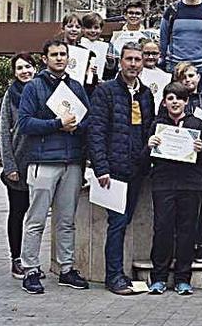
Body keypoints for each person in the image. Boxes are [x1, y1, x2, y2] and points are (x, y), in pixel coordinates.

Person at [17, 40, 91, 294]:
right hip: (43, 161)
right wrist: (57, 124)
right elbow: (25, 123)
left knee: (67, 220)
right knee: (36, 219)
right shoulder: (33, 87)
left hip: (71, 162)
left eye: (63, 54)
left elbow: (88, 120)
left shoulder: (76, 87)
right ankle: (29, 269)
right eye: (54, 54)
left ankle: (66, 269)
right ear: (45, 58)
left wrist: (76, 126)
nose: (59, 58)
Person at [87, 42, 156, 295]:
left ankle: (120, 273)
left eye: (138, 60)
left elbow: (149, 129)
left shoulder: (146, 94)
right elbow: (95, 131)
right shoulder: (105, 92)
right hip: (112, 171)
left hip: (136, 169)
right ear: (121, 61)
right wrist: (101, 167)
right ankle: (113, 276)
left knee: (125, 221)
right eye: (129, 59)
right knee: (116, 223)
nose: (134, 64)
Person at [147, 82, 202, 295]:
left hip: (190, 185)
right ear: (164, 102)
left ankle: (183, 278)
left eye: (180, 98)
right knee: (162, 230)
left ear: (186, 102)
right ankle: (158, 278)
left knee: (186, 232)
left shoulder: (197, 124)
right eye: (171, 98)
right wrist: (149, 145)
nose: (175, 102)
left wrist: (201, 150)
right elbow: (144, 157)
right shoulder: (157, 125)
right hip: (163, 184)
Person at [0, 53, 37, 280]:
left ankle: (31, 260)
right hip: (18, 165)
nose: (25, 71)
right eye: (20, 68)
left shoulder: (42, 90)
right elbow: (4, 132)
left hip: (42, 163)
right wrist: (9, 166)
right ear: (14, 72)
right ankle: (16, 259)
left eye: (28, 66)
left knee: (36, 215)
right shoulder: (10, 96)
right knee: (17, 213)